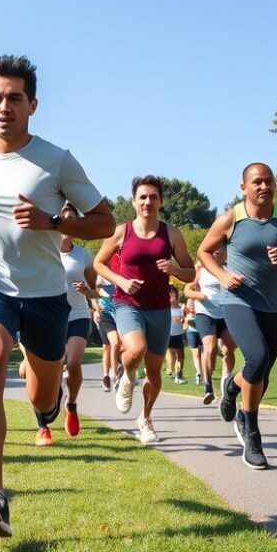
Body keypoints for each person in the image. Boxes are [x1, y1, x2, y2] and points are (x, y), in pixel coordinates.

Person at [0, 55, 114, 537]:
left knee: (44, 392)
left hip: (46, 295)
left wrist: (55, 222)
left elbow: (105, 222)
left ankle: (49, 405)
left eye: (15, 98)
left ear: (33, 105)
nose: (5, 106)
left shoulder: (56, 159)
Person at [197, 163, 277, 470]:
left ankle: (233, 388)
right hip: (238, 301)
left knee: (258, 372)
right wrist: (222, 276)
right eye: (257, 182)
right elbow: (204, 252)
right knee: (257, 359)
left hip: (274, 306)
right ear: (244, 188)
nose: (264, 187)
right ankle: (251, 432)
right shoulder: (231, 219)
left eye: (269, 181)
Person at [94, 175, 195, 446]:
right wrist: (122, 281)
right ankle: (126, 376)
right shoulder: (121, 231)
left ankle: (145, 418)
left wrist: (175, 270)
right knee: (135, 350)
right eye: (142, 197)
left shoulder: (171, 234)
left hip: (160, 308)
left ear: (161, 202)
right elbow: (99, 263)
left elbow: (190, 272)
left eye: (153, 197)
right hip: (127, 303)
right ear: (134, 201)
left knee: (154, 371)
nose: (147, 201)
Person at [33, 203, 98, 445]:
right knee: (47, 370)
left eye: (72, 219)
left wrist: (88, 290)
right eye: (63, 218)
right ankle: (43, 427)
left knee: (71, 361)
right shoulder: (42, 250)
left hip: (77, 315)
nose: (67, 223)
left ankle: (70, 404)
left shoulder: (82, 256)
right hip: (48, 318)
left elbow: (96, 292)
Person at [186, 260, 238, 406]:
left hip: (226, 313)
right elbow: (187, 289)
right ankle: (208, 387)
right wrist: (197, 295)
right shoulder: (201, 267)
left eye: (220, 249)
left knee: (229, 347)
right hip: (205, 313)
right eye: (213, 250)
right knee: (210, 347)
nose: (216, 252)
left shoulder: (231, 266)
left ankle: (225, 381)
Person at [93, 257, 123, 392]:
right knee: (112, 343)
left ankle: (117, 367)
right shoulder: (99, 274)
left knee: (113, 346)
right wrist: (95, 309)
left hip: (121, 313)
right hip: (105, 315)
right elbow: (92, 293)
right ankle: (110, 375)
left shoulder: (120, 273)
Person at [166, 286, 188, 384]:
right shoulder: (165, 308)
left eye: (173, 295)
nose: (172, 298)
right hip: (169, 334)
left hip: (179, 334)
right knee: (173, 354)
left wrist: (183, 320)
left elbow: (184, 320)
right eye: (170, 295)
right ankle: (174, 373)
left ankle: (178, 373)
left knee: (180, 355)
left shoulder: (181, 308)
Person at [183, 299, 203, 387]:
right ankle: (198, 373)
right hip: (192, 330)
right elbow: (187, 312)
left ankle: (204, 373)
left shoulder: (203, 296)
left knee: (204, 353)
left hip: (203, 329)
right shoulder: (190, 300)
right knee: (196, 353)